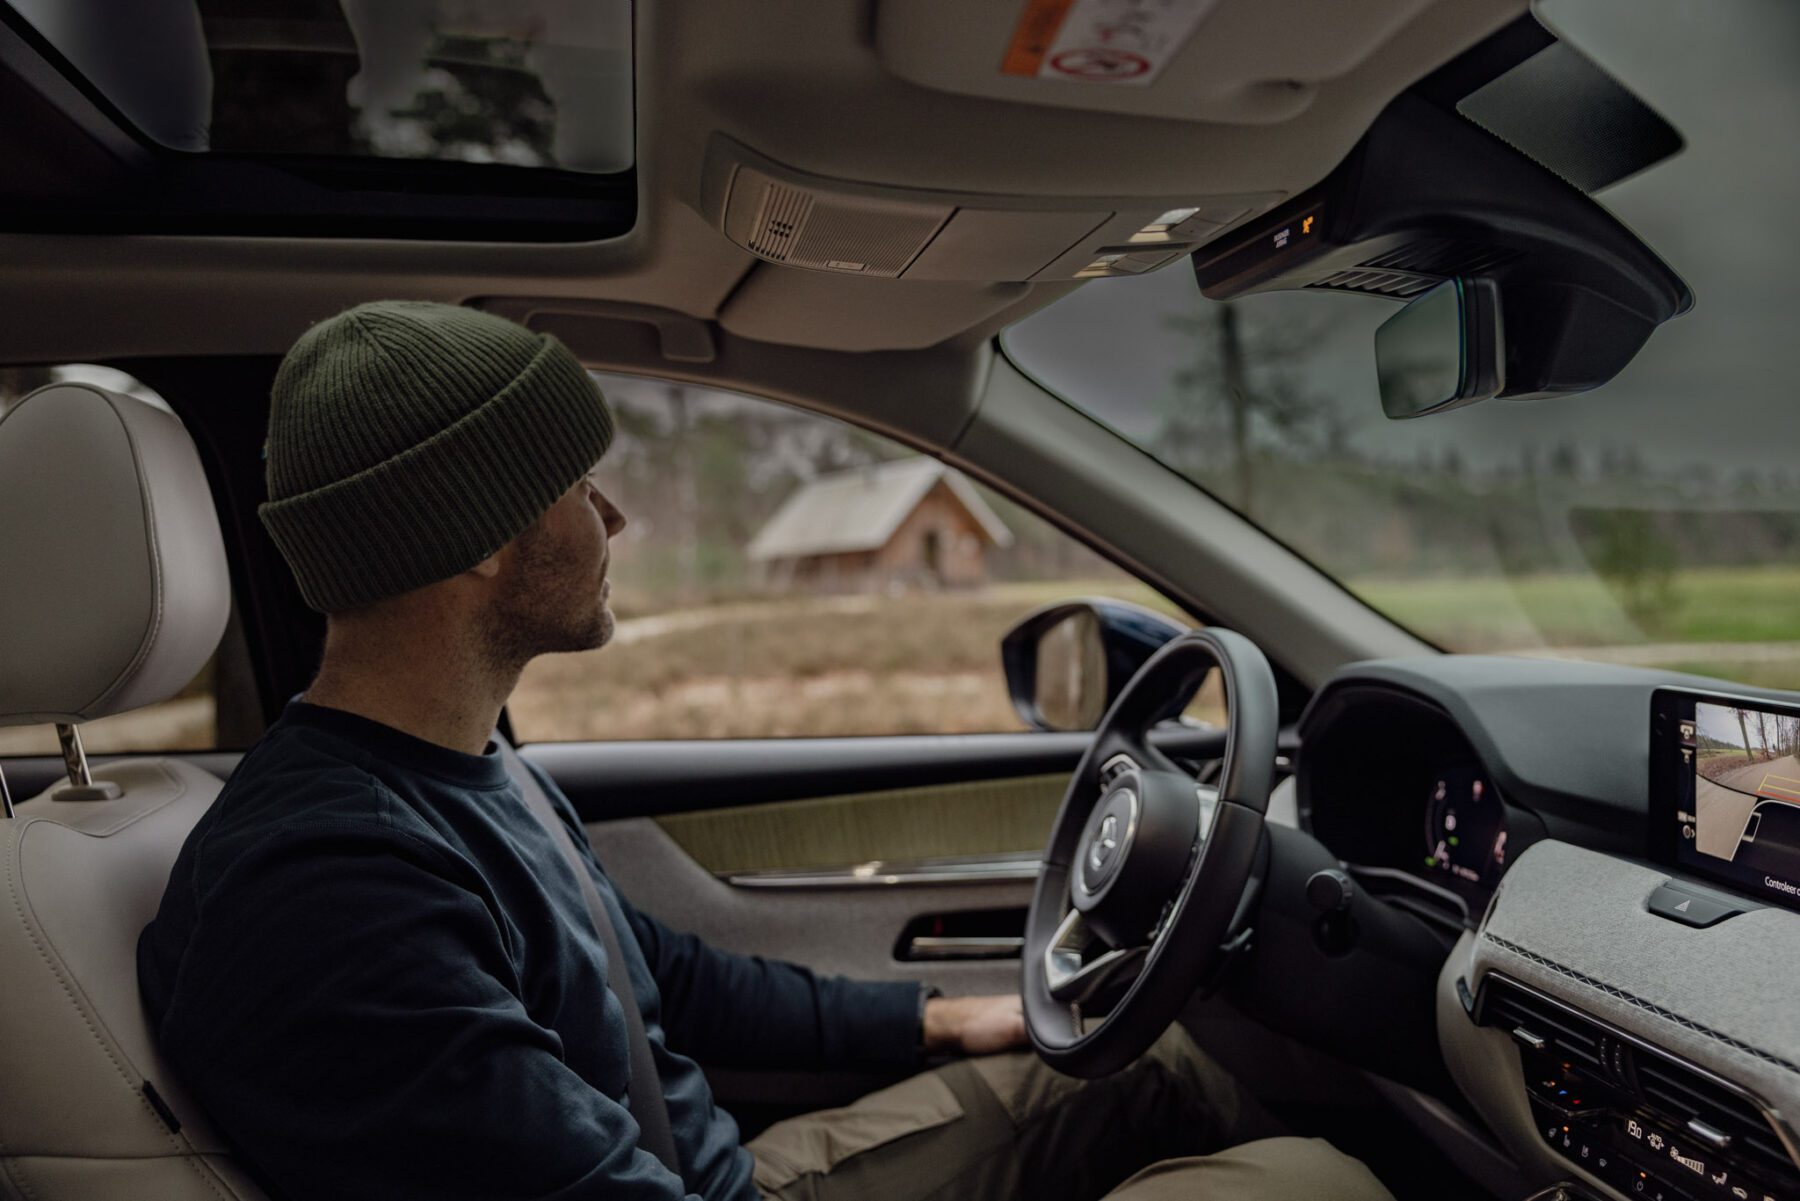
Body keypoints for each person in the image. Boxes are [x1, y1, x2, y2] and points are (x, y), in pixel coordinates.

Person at [137, 301, 1393, 1200]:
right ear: (475, 535)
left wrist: (937, 1019)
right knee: (1313, 1181)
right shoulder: (332, 887)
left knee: (1152, 1062)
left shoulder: (461, 769)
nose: (614, 514)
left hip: (723, 1170)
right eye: (577, 484)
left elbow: (662, 979)